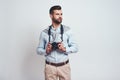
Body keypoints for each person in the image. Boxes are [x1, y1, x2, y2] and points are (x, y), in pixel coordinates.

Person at [37, 5, 78, 80]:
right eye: (57, 14)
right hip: (50, 67)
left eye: (61, 14)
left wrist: (65, 49)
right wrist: (46, 51)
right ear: (51, 15)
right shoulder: (44, 33)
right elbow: (38, 50)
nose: (60, 16)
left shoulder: (68, 30)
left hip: (64, 67)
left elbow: (75, 48)